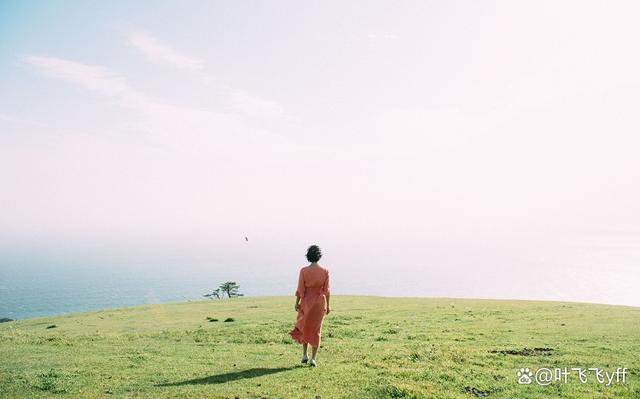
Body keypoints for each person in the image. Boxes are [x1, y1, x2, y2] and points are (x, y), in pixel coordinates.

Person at [289, 245, 331, 367]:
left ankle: (304, 355)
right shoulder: (325, 271)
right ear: (319, 256)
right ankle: (313, 358)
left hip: (307, 302)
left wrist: (297, 303)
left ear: (308, 256)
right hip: (319, 303)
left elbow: (300, 290)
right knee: (316, 330)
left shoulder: (303, 271)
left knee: (305, 328)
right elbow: (327, 290)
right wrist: (328, 305)